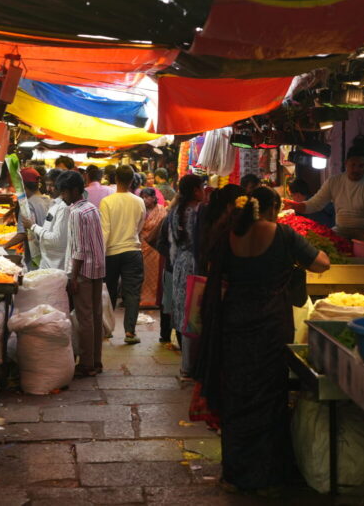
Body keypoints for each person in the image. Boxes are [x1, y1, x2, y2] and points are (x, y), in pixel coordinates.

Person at [194, 186, 328, 495]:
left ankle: (234, 474)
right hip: (270, 324)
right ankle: (266, 479)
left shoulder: (228, 234)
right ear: (273, 208)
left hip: (234, 323)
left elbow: (213, 269)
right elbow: (322, 263)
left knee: (237, 396)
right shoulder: (282, 234)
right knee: (268, 398)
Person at [284, 139, 364, 242]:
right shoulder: (334, 182)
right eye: (353, 165)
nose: (356, 169)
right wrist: (294, 205)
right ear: (346, 163)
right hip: (341, 230)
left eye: (361, 166)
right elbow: (315, 204)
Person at [62, 171, 106, 377]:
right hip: (98, 268)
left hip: (84, 271)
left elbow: (78, 249)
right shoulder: (92, 209)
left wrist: (73, 276)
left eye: (63, 192)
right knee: (96, 316)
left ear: (73, 191)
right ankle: (96, 361)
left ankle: (87, 363)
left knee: (85, 318)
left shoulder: (76, 213)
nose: (62, 197)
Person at [99, 165, 147, 344]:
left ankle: (107, 330)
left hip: (111, 252)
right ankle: (130, 332)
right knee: (132, 293)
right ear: (131, 180)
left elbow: (105, 230)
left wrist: (100, 255)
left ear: (115, 179)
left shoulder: (107, 202)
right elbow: (140, 226)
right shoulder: (139, 201)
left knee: (109, 291)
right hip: (133, 250)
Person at [165, 174, 205, 378]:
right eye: (202, 187)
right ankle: (190, 366)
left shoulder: (174, 211)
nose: (204, 191)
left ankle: (186, 364)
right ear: (195, 191)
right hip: (193, 266)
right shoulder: (196, 212)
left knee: (184, 312)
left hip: (179, 264)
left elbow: (172, 242)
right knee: (194, 315)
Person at [2, 168, 51, 265]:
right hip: (49, 255)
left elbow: (23, 233)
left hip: (35, 258)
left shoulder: (27, 205)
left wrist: (3, 246)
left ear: (22, 185)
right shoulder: (49, 201)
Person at [24, 169, 70, 271]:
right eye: (47, 185)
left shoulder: (64, 207)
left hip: (57, 265)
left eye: (52, 185)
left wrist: (33, 226)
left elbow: (56, 238)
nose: (48, 189)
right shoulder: (53, 203)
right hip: (48, 262)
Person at [139, 187, 167, 308]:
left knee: (157, 274)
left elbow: (164, 228)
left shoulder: (161, 210)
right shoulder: (140, 210)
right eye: (142, 197)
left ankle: (155, 299)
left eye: (147, 197)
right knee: (143, 274)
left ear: (153, 198)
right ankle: (144, 298)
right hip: (143, 246)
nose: (144, 200)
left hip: (156, 248)